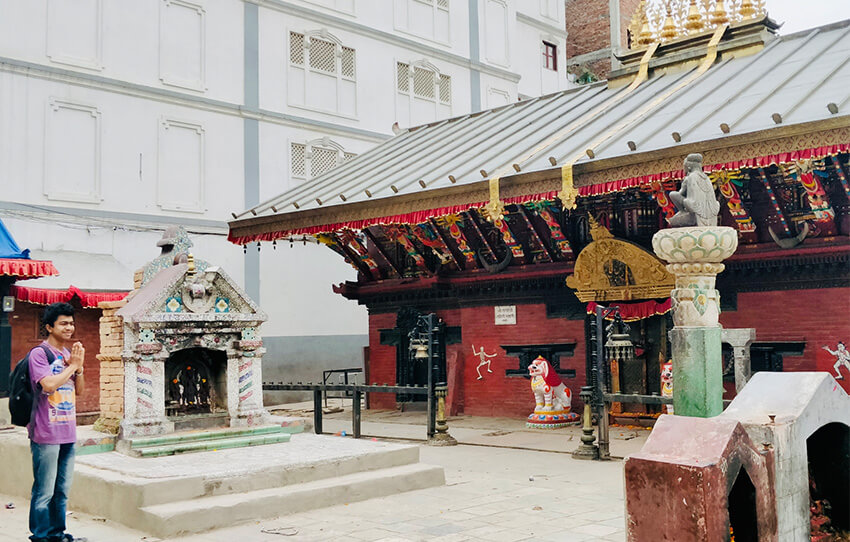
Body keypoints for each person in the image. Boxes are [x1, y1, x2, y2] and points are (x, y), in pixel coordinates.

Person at [27, 302, 87, 542]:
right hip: (45, 432)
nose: (69, 328)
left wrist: (79, 369)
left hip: (67, 432)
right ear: (50, 327)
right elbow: (48, 385)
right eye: (63, 323)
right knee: (44, 490)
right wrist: (73, 366)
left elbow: (78, 391)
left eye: (71, 323)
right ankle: (40, 536)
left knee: (62, 491)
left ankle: (57, 534)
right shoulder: (39, 354)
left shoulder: (68, 355)